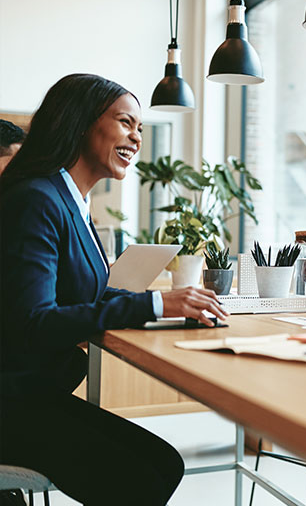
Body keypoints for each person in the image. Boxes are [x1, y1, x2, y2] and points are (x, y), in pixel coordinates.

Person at [0, 74, 228, 506]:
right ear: (82, 122)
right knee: (143, 479)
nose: (136, 138)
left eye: (140, 128)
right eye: (126, 122)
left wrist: (169, 307)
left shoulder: (70, 202)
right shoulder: (37, 200)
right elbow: (33, 323)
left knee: (165, 466)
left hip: (33, 394)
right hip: (13, 402)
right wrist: (156, 302)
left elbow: (87, 293)